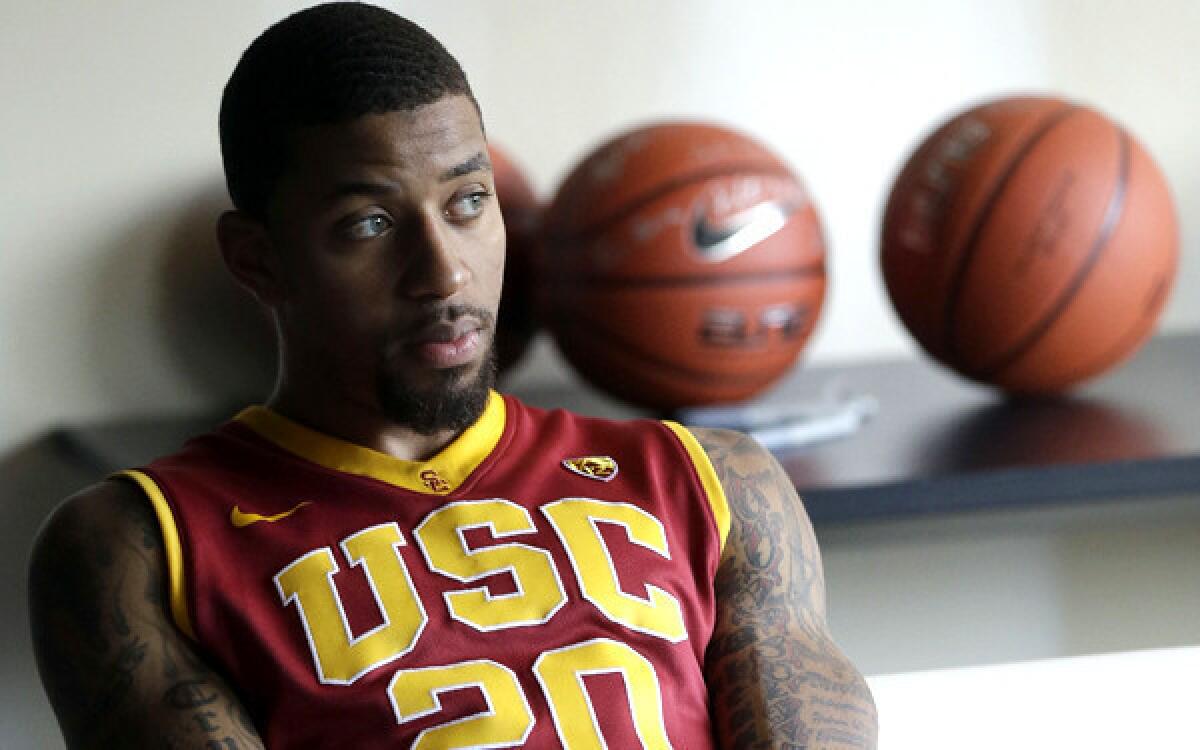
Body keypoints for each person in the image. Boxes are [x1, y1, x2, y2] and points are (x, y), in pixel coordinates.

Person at [28, 4, 877, 748]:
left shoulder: (712, 483)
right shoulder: (143, 549)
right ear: (258, 259)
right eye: (368, 223)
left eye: (468, 202)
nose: (444, 273)